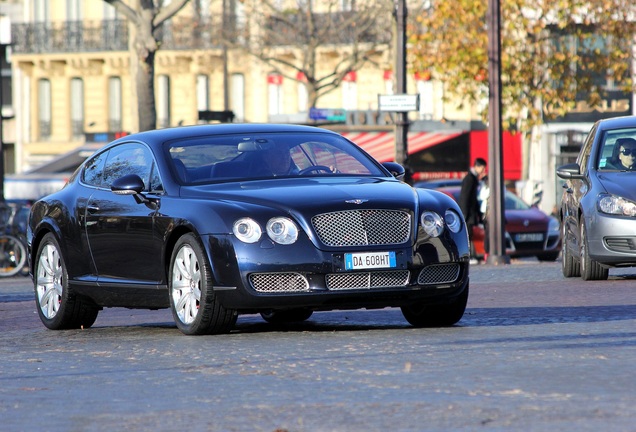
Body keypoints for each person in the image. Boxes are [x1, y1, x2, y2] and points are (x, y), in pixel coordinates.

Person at [459, 158, 487, 262]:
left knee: (469, 235)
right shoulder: (470, 179)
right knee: (467, 235)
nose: (483, 170)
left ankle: (469, 256)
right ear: (477, 166)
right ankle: (468, 257)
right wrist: (465, 214)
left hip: (469, 213)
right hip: (467, 214)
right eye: (483, 168)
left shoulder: (472, 178)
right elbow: (465, 197)